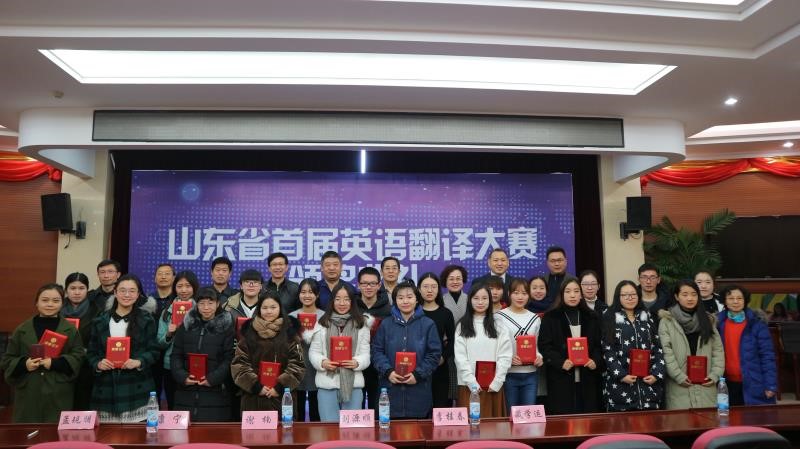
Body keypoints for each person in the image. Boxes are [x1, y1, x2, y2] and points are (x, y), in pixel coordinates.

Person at [1, 283, 84, 422]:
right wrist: (25, 364)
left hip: (58, 391)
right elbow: (7, 359)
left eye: (56, 300)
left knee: (56, 432)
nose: (50, 304)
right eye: (45, 300)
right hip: (29, 390)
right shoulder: (22, 329)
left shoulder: (70, 329)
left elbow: (78, 356)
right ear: (37, 303)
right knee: (26, 432)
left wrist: (54, 363)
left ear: (62, 303)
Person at [87, 274, 160, 422]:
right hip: (106, 388)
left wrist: (139, 362)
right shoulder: (100, 320)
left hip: (137, 386)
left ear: (138, 295)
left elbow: (154, 351)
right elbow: (91, 353)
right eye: (122, 290)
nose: (127, 295)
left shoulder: (146, 319)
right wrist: (98, 364)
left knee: (138, 434)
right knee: (106, 435)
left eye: (132, 291)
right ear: (115, 292)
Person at [372, 281, 442, 418]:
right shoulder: (386, 324)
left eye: (409, 297)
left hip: (419, 391)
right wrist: (388, 371)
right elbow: (376, 351)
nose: (405, 301)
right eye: (400, 297)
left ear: (417, 299)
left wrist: (418, 374)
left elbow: (434, 354)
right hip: (390, 392)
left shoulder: (428, 324)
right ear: (395, 301)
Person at [539, 276, 604, 414]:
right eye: (568, 291)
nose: (572, 295)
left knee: (588, 418)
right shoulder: (551, 317)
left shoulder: (592, 317)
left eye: (576, 291)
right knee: (564, 418)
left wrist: (595, 360)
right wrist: (560, 362)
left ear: (581, 294)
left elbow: (599, 345)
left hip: (588, 376)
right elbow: (545, 346)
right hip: (561, 376)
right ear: (561, 294)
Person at [231, 291, 305, 411]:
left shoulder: (290, 333)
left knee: (282, 424)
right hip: (253, 399)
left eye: (273, 307)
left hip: (282, 399)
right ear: (259, 309)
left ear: (280, 308)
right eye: (264, 308)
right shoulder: (249, 332)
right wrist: (256, 386)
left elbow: (297, 365)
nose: (269, 311)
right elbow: (239, 364)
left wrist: (280, 387)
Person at [170, 287, 235, 421]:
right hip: (186, 391)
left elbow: (229, 358)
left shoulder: (226, 328)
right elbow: (176, 355)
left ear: (217, 304)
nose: (206, 307)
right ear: (197, 304)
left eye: (210, 303)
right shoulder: (186, 326)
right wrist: (182, 376)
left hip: (216, 392)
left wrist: (213, 378)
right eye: (202, 303)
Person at [658, 280, 724, 410]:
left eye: (694, 294)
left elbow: (718, 350)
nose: (690, 298)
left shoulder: (708, 320)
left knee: (707, 420)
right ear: (677, 296)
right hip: (679, 386)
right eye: (685, 294)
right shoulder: (667, 321)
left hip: (706, 384)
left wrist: (715, 375)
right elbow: (666, 352)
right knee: (682, 421)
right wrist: (678, 376)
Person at [308, 284, 371, 421]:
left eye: (346, 299)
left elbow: (366, 354)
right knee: (329, 428)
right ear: (332, 301)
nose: (342, 303)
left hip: (353, 385)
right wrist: (322, 362)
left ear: (352, 302)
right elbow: (313, 352)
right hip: (327, 383)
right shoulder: (321, 323)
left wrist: (357, 362)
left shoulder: (361, 324)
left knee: (352, 429)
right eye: (337, 299)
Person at [602, 280, 665, 411]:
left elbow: (657, 348)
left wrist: (656, 374)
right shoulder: (609, 317)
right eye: (625, 295)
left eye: (633, 294)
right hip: (621, 387)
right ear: (618, 297)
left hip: (648, 387)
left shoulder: (646, 316)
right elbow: (608, 351)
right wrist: (621, 375)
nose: (630, 298)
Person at [454, 284, 512, 418]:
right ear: (470, 300)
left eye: (484, 298)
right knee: (471, 426)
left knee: (493, 427)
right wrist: (472, 383)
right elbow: (460, 358)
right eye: (476, 298)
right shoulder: (462, 325)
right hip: (468, 386)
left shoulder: (499, 324)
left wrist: (497, 381)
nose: (480, 302)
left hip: (493, 386)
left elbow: (505, 355)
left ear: (490, 301)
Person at [716, 284, 777, 406]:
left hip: (754, 382)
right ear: (724, 301)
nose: (735, 301)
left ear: (745, 300)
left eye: (739, 298)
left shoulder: (757, 324)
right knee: (728, 417)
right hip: (726, 384)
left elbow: (767, 356)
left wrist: (770, 384)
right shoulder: (718, 323)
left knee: (755, 417)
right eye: (731, 298)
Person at [495, 278, 543, 412]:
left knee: (528, 415)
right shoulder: (499, 317)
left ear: (529, 295)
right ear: (509, 294)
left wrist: (539, 357)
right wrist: (508, 359)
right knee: (511, 415)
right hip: (508, 374)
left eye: (524, 293)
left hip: (531, 374)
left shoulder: (535, 318)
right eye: (516, 293)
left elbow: (537, 345)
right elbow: (495, 346)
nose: (520, 297)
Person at [157, 270, 199, 409]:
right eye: (180, 286)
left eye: (188, 286)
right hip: (171, 365)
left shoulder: (202, 310)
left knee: (193, 406)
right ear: (174, 288)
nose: (184, 290)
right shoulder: (167, 312)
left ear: (194, 287)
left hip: (195, 364)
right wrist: (169, 334)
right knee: (173, 405)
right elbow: (159, 343)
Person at [60, 272, 100, 410]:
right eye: (72, 288)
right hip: (62, 363)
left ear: (87, 290)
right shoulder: (57, 308)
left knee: (83, 403)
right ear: (66, 290)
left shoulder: (96, 310)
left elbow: (99, 338)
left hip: (86, 364)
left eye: (81, 288)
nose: (77, 292)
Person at [355, 266, 391, 411]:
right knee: (356, 408)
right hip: (356, 364)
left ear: (379, 285)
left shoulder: (388, 309)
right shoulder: (351, 307)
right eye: (364, 283)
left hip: (380, 364)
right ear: (358, 285)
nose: (368, 287)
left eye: (372, 283)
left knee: (377, 408)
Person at [418, 273, 456, 408]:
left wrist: (443, 357)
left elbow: (453, 341)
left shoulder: (446, 313)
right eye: (425, 286)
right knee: (421, 408)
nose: (430, 290)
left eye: (433, 287)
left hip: (439, 366)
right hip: (417, 366)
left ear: (438, 289)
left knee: (441, 406)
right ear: (419, 289)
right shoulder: (414, 312)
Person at [289, 278, 325, 422]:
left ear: (317, 295)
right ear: (299, 295)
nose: (307, 295)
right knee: (297, 415)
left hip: (318, 369)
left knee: (317, 414)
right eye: (303, 292)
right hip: (297, 367)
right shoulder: (291, 316)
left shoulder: (325, 316)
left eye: (311, 292)